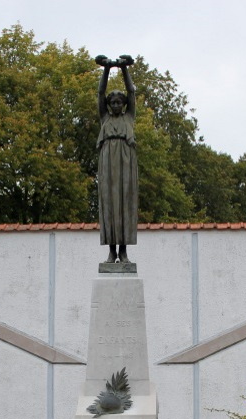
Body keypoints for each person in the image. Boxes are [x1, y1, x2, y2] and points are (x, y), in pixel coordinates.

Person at [95, 54, 138, 264]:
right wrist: (106, 68)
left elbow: (131, 90)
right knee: (110, 204)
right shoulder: (104, 118)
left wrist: (124, 69)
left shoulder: (129, 117)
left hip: (126, 162)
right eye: (112, 102)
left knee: (125, 203)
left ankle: (124, 251)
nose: (115, 105)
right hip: (107, 163)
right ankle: (112, 252)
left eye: (119, 102)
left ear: (124, 104)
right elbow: (100, 91)